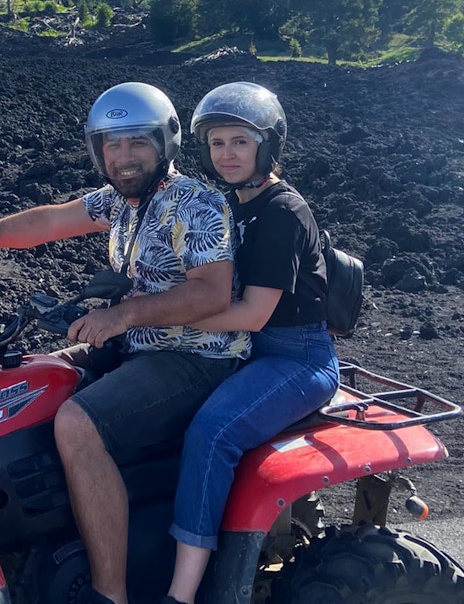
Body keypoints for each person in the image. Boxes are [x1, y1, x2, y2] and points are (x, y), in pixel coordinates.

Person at [0, 82, 250, 604]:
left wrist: (121, 315)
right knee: (28, 382)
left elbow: (210, 291)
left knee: (77, 422)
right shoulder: (119, 200)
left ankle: (108, 593)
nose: (124, 156)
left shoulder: (197, 204)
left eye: (137, 142)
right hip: (138, 341)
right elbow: (48, 220)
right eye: (111, 145)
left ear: (164, 144)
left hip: (195, 354)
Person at [164, 82, 340, 604]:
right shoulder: (232, 204)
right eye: (217, 143)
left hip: (294, 355)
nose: (227, 154)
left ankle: (183, 593)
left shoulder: (281, 211)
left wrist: (164, 321)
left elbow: (253, 313)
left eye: (240, 142)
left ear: (267, 147)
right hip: (247, 348)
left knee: (212, 433)